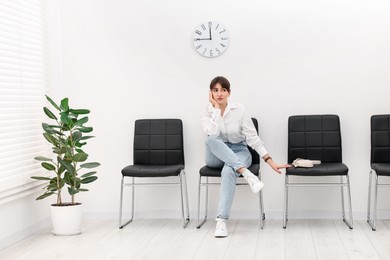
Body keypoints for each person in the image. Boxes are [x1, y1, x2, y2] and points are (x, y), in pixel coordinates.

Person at [201, 76, 290, 238]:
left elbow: (253, 139)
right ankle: (247, 173)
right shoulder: (207, 110)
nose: (219, 93)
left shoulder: (240, 110)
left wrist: (270, 161)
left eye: (223, 90)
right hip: (215, 154)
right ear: (211, 93)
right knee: (211, 139)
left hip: (239, 151)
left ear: (229, 92)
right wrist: (215, 109)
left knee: (229, 170)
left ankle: (221, 221)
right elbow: (212, 134)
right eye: (215, 90)